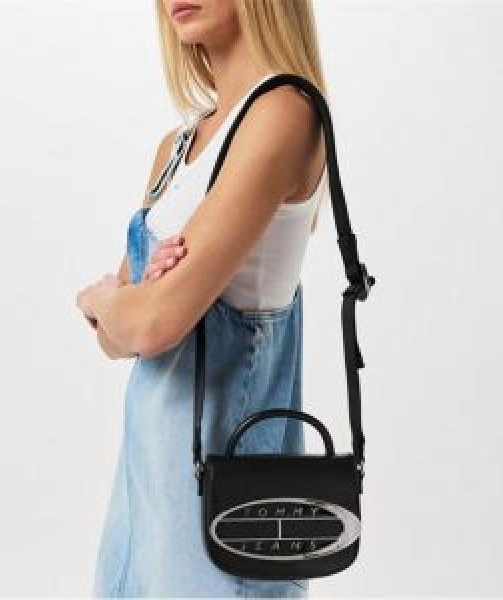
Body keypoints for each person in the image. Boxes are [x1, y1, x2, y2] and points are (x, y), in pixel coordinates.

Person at [76, 0, 330, 596]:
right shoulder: (177, 146)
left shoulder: (285, 111)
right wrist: (125, 309)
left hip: (223, 495)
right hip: (144, 498)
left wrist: (108, 299)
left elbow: (151, 326)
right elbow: (117, 341)